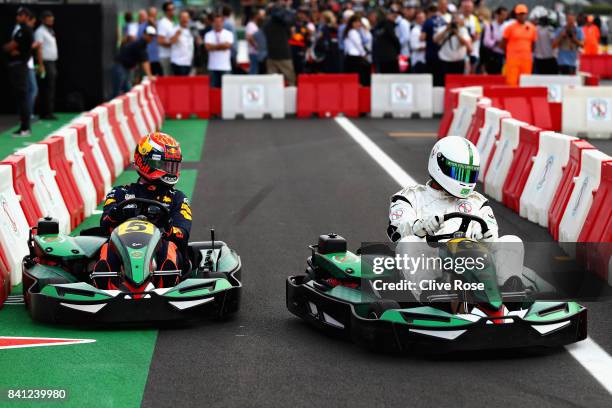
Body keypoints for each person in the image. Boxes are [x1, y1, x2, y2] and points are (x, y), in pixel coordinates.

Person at [387, 136, 524, 299]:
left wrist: (488, 239)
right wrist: (422, 227)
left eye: (469, 174)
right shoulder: (409, 197)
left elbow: (492, 238)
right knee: (409, 243)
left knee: (511, 240)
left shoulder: (477, 202)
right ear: (440, 165)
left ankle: (509, 295)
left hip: (474, 264)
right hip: (433, 264)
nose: (465, 180)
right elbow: (397, 233)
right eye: (459, 172)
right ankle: (430, 295)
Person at [96, 132, 192, 277]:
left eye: (173, 166)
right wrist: (116, 214)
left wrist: (166, 227)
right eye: (165, 165)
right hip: (123, 250)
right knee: (107, 248)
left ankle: (166, 282)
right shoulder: (119, 193)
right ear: (145, 161)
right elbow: (104, 225)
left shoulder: (177, 198)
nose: (170, 171)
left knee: (168, 247)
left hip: (159, 252)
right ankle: (105, 284)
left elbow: (183, 234)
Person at [3, 7, 34, 137]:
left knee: (23, 96)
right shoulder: (20, 30)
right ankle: (23, 127)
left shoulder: (25, 30)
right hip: (17, 65)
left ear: (26, 17)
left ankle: (25, 128)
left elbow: (9, 47)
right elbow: (10, 47)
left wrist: (11, 48)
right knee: (20, 96)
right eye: (18, 15)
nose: (18, 17)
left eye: (21, 15)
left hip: (20, 66)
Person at [112, 25, 156, 97]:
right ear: (144, 34)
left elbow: (144, 61)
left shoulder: (142, 44)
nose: (151, 38)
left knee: (127, 91)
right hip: (120, 66)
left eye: (152, 36)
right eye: (150, 35)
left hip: (124, 67)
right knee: (118, 92)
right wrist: (149, 75)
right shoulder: (140, 44)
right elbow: (145, 61)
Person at [501, 4, 537, 86]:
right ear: (516, 15)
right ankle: (511, 98)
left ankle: (524, 98)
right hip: (513, 60)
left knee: (525, 82)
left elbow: (533, 44)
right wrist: (509, 53)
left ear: (526, 14)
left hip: (526, 60)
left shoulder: (532, 28)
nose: (522, 16)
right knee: (511, 82)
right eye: (520, 14)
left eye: (523, 14)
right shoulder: (510, 28)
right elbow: (503, 43)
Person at [263, 0, 296, 85]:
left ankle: (272, 98)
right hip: (284, 55)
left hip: (271, 55)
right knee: (290, 80)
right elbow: (291, 35)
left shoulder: (266, 23)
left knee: (271, 82)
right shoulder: (284, 23)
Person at [35, 10, 58, 120]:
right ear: (43, 20)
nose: (51, 21)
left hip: (51, 62)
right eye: (49, 19)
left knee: (50, 87)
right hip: (45, 62)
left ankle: (48, 111)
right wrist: (41, 64)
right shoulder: (40, 32)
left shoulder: (50, 31)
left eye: (52, 19)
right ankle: (46, 112)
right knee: (46, 88)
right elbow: (38, 48)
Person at [434, 14, 472, 80]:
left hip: (458, 63)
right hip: (444, 61)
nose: (455, 23)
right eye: (454, 20)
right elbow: (435, 40)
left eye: (457, 21)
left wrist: (457, 34)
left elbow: (466, 44)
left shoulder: (463, 30)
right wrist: (447, 29)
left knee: (457, 83)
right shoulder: (443, 28)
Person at [204, 14, 233, 88]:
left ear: (222, 23)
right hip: (213, 67)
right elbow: (208, 47)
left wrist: (214, 46)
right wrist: (222, 46)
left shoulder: (228, 34)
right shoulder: (208, 34)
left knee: (226, 90)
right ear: (213, 23)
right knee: (213, 90)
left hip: (225, 67)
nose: (218, 24)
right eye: (216, 22)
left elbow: (228, 46)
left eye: (220, 22)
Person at [421, 4, 447, 87]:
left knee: (431, 80)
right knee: (441, 80)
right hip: (443, 54)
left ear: (428, 12)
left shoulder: (428, 22)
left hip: (431, 53)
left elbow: (422, 37)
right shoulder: (444, 21)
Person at [343, 14, 370, 86]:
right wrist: (364, 54)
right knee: (360, 79)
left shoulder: (351, 32)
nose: (359, 24)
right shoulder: (352, 32)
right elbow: (358, 45)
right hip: (355, 59)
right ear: (353, 23)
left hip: (351, 58)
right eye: (358, 22)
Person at [371, 9, 400, 74]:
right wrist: (398, 51)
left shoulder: (376, 28)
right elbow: (395, 39)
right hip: (391, 57)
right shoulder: (388, 25)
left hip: (380, 58)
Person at [482, 6, 508, 74]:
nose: (504, 17)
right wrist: (496, 42)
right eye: (502, 15)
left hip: (505, 54)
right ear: (497, 15)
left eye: (505, 15)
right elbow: (486, 41)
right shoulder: (490, 26)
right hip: (493, 55)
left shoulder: (508, 26)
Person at [169, 11, 195, 76]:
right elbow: (172, 41)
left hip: (188, 62)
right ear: (179, 19)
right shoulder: (175, 29)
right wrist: (177, 34)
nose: (185, 20)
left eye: (187, 18)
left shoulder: (190, 30)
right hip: (178, 62)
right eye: (183, 18)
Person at [157, 1, 176, 76]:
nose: (172, 11)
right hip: (166, 56)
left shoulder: (171, 22)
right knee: (167, 80)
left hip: (172, 56)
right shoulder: (163, 23)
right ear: (166, 11)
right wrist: (173, 43)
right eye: (170, 9)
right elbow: (160, 41)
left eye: (173, 9)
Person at [246, 9, 265, 74]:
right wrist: (256, 46)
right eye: (259, 15)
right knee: (253, 70)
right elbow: (249, 37)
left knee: (255, 70)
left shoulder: (254, 25)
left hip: (255, 52)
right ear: (256, 16)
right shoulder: (251, 25)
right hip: (253, 52)